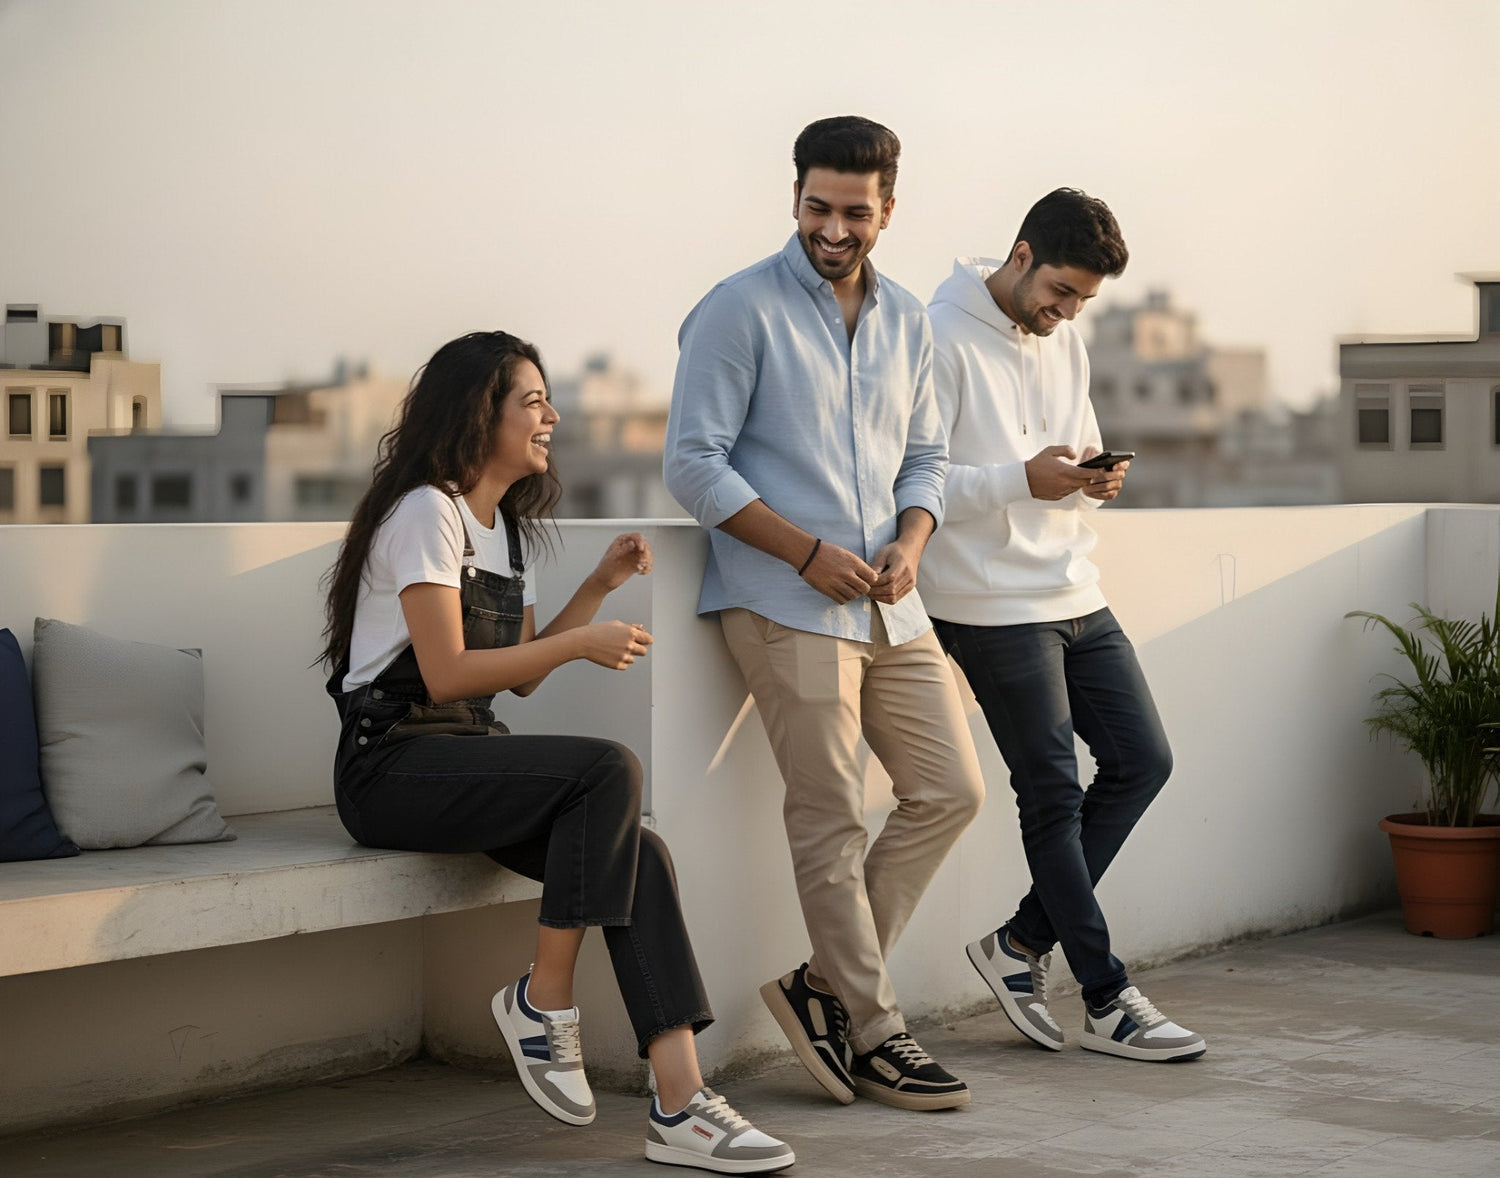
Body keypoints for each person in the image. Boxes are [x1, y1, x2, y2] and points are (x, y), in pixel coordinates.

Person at [320, 331, 794, 1173]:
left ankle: (680, 1102)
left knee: (637, 851)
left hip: (465, 754)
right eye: (532, 402)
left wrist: (597, 590)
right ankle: (544, 1001)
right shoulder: (427, 511)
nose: (552, 416)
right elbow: (447, 671)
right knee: (607, 769)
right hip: (390, 762)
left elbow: (520, 678)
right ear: (479, 414)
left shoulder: (502, 527)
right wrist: (583, 645)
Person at [664, 116, 986, 1111]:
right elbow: (692, 464)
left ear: (888, 210)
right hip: (779, 601)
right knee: (833, 814)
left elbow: (926, 457)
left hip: (892, 603)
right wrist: (804, 550)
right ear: (795, 197)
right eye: (817, 206)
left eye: (855, 211)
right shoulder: (737, 309)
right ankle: (878, 1030)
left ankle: (820, 987)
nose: (833, 228)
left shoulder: (909, 325)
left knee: (952, 788)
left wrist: (911, 541)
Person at [918, 189, 1206, 1063]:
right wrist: (1020, 480)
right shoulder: (935, 336)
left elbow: (1069, 443)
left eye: (1083, 299)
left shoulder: (1063, 339)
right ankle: (1108, 997)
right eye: (1062, 291)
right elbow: (918, 478)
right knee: (1048, 789)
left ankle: (1017, 945)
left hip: (1071, 587)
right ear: (1020, 254)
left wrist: (1089, 475)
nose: (1069, 311)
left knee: (1141, 760)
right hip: (983, 601)